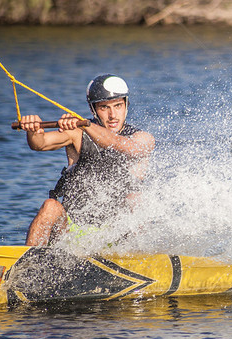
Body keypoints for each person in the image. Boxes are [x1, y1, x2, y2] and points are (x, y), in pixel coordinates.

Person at [18, 74, 156, 247]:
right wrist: (33, 130)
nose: (113, 115)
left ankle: (140, 260)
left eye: (118, 106)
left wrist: (87, 126)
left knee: (135, 200)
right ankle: (28, 263)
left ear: (126, 105)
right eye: (104, 107)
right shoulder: (77, 133)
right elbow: (40, 144)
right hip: (73, 234)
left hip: (117, 237)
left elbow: (118, 144)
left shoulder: (142, 139)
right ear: (93, 110)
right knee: (50, 206)